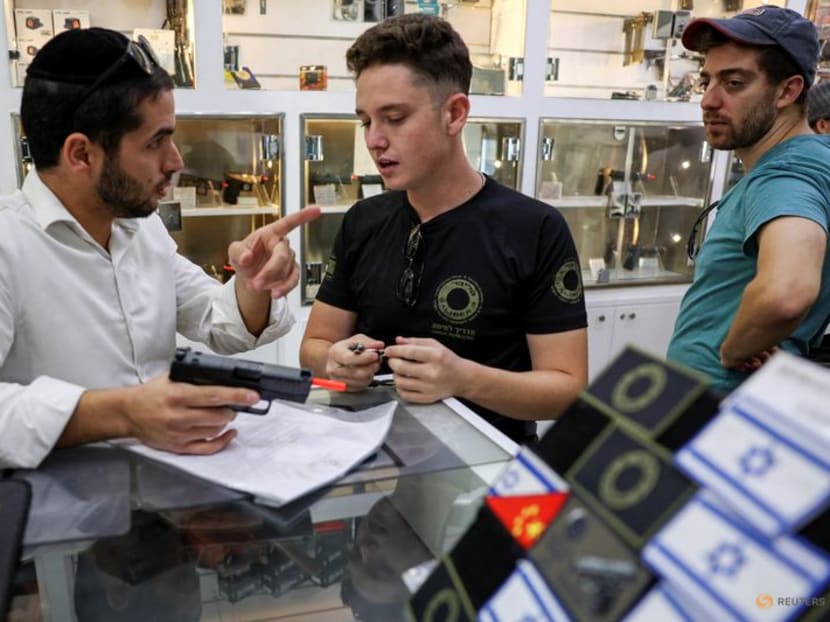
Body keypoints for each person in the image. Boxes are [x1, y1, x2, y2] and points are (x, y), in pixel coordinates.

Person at [0, 27, 320, 468]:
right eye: (155, 142)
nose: (175, 161)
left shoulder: (141, 230)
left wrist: (253, 280)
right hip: (57, 520)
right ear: (81, 154)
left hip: (163, 497)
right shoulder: (8, 246)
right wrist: (123, 413)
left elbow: (216, 321)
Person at [299, 13, 588, 444]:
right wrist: (335, 362)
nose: (374, 140)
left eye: (394, 118)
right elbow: (315, 345)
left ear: (454, 114)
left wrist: (463, 379)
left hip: (488, 473)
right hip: (374, 464)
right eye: (366, 121)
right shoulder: (364, 220)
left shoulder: (535, 229)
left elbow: (567, 389)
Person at [667, 6, 830, 393]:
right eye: (707, 81)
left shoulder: (786, 173)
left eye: (734, 83)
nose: (708, 100)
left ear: (788, 91)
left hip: (713, 408)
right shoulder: (811, 160)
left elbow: (786, 292)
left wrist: (732, 349)